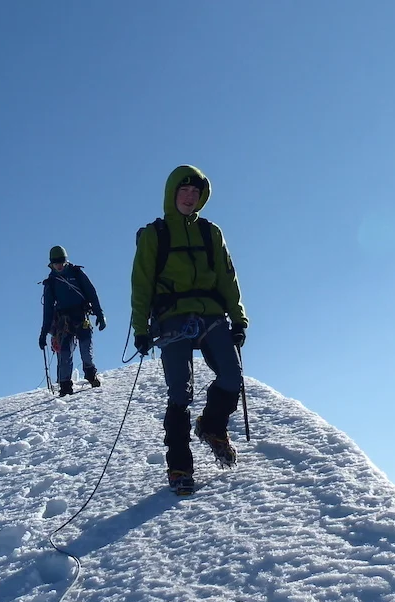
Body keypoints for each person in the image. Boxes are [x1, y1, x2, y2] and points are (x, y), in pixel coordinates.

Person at [130, 165, 249, 494]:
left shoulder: (211, 233)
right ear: (172, 194)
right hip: (172, 317)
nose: (189, 197)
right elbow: (141, 284)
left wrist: (238, 318)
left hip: (211, 314)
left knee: (231, 377)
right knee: (180, 392)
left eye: (195, 193)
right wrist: (141, 328)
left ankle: (212, 426)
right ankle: (180, 466)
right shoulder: (156, 234)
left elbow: (228, 278)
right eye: (183, 191)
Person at [38, 245, 106, 396]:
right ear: (51, 264)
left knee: (85, 348)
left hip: (81, 316)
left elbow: (92, 293)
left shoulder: (77, 273)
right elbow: (48, 310)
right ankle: (65, 386)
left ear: (66, 261)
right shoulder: (51, 282)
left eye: (61, 262)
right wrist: (44, 333)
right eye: (56, 263)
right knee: (64, 353)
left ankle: (90, 375)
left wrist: (100, 315)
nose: (60, 266)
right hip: (63, 322)